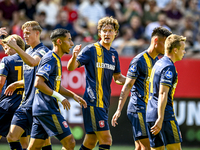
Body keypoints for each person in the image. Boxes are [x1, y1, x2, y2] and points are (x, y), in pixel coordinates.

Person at [67, 16, 126, 150]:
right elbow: (71, 67)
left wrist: (132, 80)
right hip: (93, 101)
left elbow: (117, 78)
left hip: (104, 102)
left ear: (115, 33)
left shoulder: (113, 54)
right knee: (106, 139)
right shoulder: (91, 50)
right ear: (99, 33)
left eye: (110, 31)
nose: (107, 33)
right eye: (104, 31)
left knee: (90, 142)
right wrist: (74, 56)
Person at [111, 27, 172, 150]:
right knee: (148, 147)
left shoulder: (157, 61)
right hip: (138, 108)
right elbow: (128, 85)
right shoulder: (139, 60)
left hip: (148, 110)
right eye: (165, 43)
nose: (167, 47)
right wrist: (118, 109)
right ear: (155, 41)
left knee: (139, 147)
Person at [27, 28, 87, 150]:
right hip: (47, 108)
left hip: (41, 109)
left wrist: (73, 95)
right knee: (70, 142)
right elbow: (38, 83)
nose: (71, 43)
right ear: (59, 41)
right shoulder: (51, 58)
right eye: (69, 40)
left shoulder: (57, 59)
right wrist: (59, 97)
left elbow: (55, 86)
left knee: (34, 147)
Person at [4, 21, 51, 150]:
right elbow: (30, 77)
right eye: (24, 33)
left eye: (28, 33)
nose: (25, 36)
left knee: (44, 142)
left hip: (39, 104)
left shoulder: (43, 51)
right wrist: (17, 84)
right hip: (25, 104)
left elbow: (33, 62)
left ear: (37, 33)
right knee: (12, 137)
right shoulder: (28, 51)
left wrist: (17, 48)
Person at [146, 34, 186, 150]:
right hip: (164, 116)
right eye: (183, 49)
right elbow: (162, 93)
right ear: (175, 50)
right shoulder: (169, 67)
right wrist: (160, 118)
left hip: (150, 114)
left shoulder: (158, 63)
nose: (184, 52)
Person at [0, 28, 29, 149]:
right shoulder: (30, 60)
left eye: (6, 48)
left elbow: (0, 83)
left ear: (13, 45)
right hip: (24, 106)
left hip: (8, 104)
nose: (5, 52)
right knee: (24, 142)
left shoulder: (6, 60)